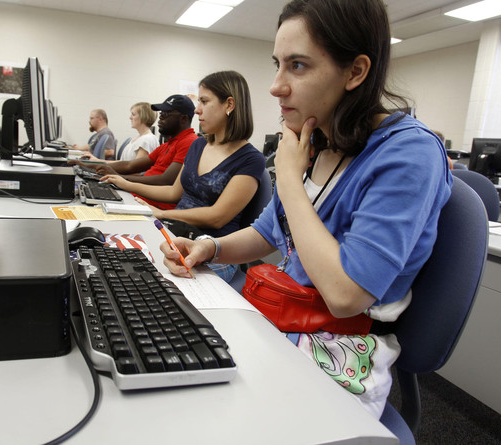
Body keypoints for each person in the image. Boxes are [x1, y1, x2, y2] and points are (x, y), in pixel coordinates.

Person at [160, 0, 452, 419]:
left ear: (356, 72)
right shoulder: (314, 140)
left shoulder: (410, 153)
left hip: (338, 351)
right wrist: (210, 248)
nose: (276, 85)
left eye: (297, 66)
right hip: (282, 321)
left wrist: (291, 179)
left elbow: (346, 294)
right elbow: (267, 232)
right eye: (277, 64)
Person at [102, 71, 265, 282]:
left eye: (204, 102)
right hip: (177, 234)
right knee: (115, 262)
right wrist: (126, 184)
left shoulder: (250, 159)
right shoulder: (198, 145)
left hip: (213, 251)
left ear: (229, 105)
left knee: (145, 284)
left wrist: (161, 214)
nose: (197, 110)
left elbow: (218, 216)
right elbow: (173, 192)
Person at [77, 95, 198, 210]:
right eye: (161, 113)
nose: (160, 117)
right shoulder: (168, 144)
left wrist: (121, 179)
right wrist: (93, 167)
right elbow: (131, 165)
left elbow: (166, 180)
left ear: (184, 118)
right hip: (137, 196)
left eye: (166, 114)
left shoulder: (189, 142)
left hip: (153, 205)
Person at [82, 102, 158, 162]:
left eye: (133, 114)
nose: (130, 117)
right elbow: (122, 163)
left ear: (143, 117)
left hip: (127, 179)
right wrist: (98, 161)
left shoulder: (147, 140)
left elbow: (136, 171)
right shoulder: (137, 139)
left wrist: (110, 171)